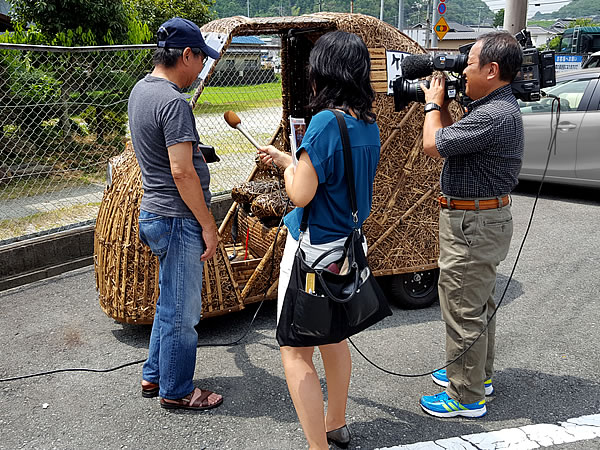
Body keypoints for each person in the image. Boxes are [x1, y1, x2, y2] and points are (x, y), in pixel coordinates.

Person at [257, 31, 380, 449]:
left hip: (312, 250)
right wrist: (289, 160)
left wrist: (288, 169)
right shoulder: (368, 125)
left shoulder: (326, 122)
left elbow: (301, 193)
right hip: (347, 246)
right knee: (333, 339)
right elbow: (331, 179)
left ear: (323, 71)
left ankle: (317, 446)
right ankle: (336, 424)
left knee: (294, 351)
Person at [418, 31, 524, 418]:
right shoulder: (494, 109)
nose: (462, 70)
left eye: (469, 63)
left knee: (463, 307)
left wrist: (431, 104)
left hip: (472, 222)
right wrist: (442, 106)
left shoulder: (495, 115)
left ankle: (466, 396)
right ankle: (477, 376)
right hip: (479, 219)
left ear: (492, 70)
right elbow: (449, 139)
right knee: (477, 304)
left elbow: (432, 145)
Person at [128, 17, 223, 411]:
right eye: (201, 59)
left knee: (169, 301)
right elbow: (181, 171)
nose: (202, 68)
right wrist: (208, 225)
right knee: (184, 313)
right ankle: (178, 389)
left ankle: (154, 374)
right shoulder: (173, 102)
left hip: (153, 211)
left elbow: (161, 154)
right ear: (187, 54)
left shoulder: (140, 91)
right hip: (177, 218)